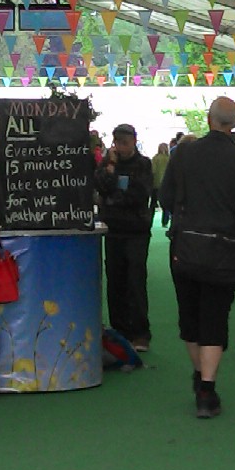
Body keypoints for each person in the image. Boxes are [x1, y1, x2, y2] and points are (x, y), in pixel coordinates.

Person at [159, 97, 235, 418]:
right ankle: (207, 388)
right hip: (224, 250)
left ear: (208, 118)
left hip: (185, 246)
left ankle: (199, 373)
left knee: (189, 317)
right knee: (215, 317)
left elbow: (165, 197)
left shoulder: (183, 154)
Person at [96, 124, 155, 352]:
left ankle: (140, 333)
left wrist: (114, 196)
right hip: (113, 230)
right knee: (115, 281)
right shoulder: (107, 164)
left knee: (135, 282)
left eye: (125, 143)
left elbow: (140, 195)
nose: (121, 147)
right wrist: (110, 168)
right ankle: (119, 331)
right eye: (118, 143)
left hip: (136, 231)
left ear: (134, 142)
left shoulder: (143, 164)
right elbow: (101, 187)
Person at [150, 140, 171, 228]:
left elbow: (153, 170)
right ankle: (165, 222)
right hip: (167, 184)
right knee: (166, 205)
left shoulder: (155, 158)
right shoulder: (170, 158)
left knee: (153, 204)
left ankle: (150, 220)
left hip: (156, 184)